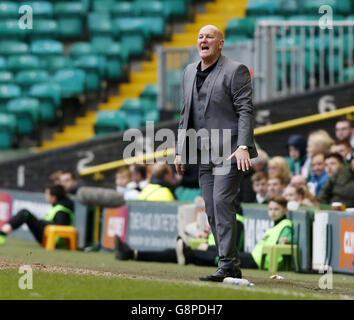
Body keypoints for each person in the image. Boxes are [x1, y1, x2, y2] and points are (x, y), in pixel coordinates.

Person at [174, 25, 257, 281]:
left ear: (220, 44)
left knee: (222, 202)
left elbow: (245, 110)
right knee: (211, 208)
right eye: (200, 36)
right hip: (202, 153)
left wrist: (243, 146)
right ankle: (229, 265)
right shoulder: (189, 71)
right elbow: (185, 114)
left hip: (230, 151)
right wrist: (180, 152)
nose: (204, 40)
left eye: (210, 36)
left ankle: (227, 265)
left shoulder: (235, 70)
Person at [114, 213, 245, 268]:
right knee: (172, 253)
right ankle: (132, 254)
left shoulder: (236, 220)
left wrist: (208, 248)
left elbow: (232, 250)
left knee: (180, 254)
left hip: (217, 258)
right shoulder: (220, 218)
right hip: (209, 254)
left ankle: (187, 255)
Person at [0, 185, 74, 245]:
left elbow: (61, 227)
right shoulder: (59, 206)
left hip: (52, 240)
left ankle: (2, 234)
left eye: (47, 195)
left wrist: (42, 223)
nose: (46, 197)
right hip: (47, 235)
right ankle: (2, 233)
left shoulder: (62, 211)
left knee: (25, 213)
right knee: (24, 214)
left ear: (54, 197)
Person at [238, 196, 294, 270]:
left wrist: (284, 241)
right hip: (256, 257)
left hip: (260, 261)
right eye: (270, 209)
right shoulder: (276, 225)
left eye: (276, 209)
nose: (273, 212)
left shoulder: (286, 225)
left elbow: (285, 240)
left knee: (229, 258)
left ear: (285, 210)